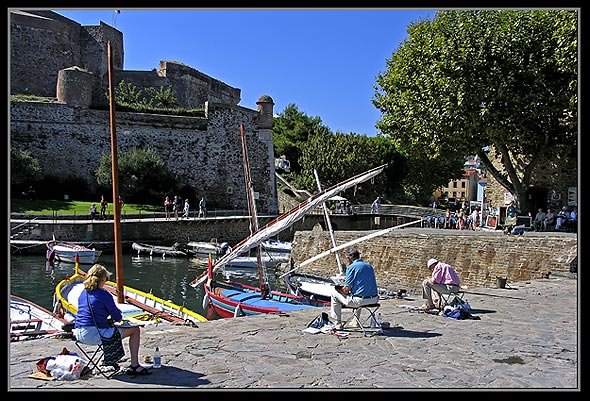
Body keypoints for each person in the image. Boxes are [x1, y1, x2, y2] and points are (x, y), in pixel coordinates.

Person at [73, 264, 150, 376]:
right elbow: (117, 317)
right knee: (135, 330)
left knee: (108, 328)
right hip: (93, 334)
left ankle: (108, 360)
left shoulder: (83, 293)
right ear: (103, 279)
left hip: (79, 333)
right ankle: (135, 365)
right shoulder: (104, 294)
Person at [330, 247, 379, 330]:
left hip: (360, 301)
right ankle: (355, 321)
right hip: (374, 299)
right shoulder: (369, 266)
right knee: (357, 293)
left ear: (349, 258)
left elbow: (346, 289)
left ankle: (337, 323)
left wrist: (338, 288)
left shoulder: (351, 267)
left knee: (334, 294)